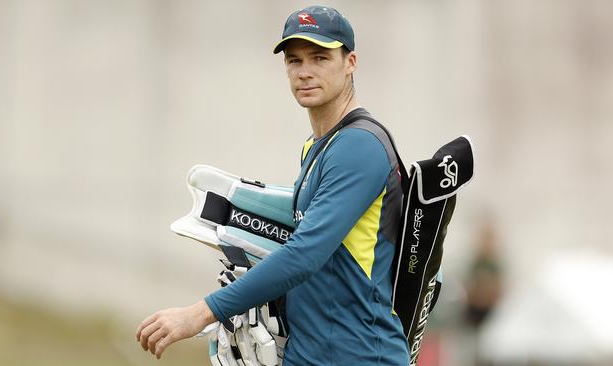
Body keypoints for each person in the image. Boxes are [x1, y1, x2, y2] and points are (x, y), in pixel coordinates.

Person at [136, 6, 409, 365]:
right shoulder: (317, 145)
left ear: (350, 62)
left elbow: (304, 254)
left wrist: (200, 313)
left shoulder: (359, 147)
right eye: (294, 61)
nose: (305, 72)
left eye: (320, 58)